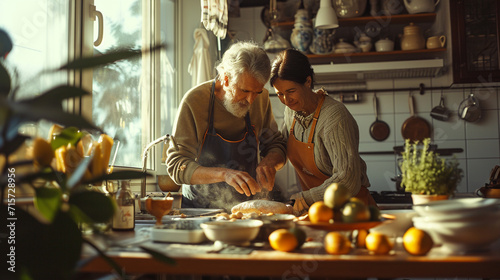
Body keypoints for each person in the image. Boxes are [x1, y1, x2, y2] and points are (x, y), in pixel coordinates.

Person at [166, 41, 287, 211]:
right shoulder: (195, 102)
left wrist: (269, 163)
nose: (251, 100)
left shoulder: (262, 99)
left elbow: (277, 145)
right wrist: (224, 174)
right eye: (244, 91)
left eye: (257, 92)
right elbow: (176, 165)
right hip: (198, 211)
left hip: (247, 210)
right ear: (225, 78)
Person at [269, 48, 376, 215]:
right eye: (280, 94)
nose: (286, 100)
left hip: (352, 212)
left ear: (308, 81)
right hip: (320, 212)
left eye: (291, 91)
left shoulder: (335, 117)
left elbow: (347, 180)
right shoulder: (291, 111)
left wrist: (306, 198)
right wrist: (268, 162)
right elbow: (283, 144)